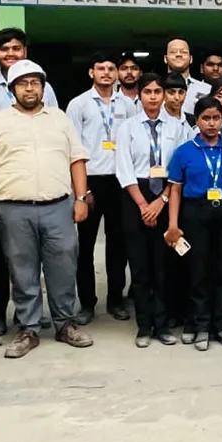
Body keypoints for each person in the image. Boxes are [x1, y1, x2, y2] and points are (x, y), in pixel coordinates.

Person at [0, 60, 94, 359]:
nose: (29, 89)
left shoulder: (59, 119)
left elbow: (77, 159)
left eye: (35, 83)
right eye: (23, 84)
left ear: (43, 87)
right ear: (12, 89)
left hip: (58, 206)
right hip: (13, 209)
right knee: (22, 270)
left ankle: (65, 323)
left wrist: (81, 198)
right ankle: (28, 328)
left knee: (64, 266)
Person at [0, 27, 59, 336]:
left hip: (37, 179)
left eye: (16, 48)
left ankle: (36, 313)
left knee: (37, 255)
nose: (11, 54)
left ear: (25, 51)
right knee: (1, 255)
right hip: (0, 183)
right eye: (5, 49)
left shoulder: (44, 87)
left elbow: (53, 128)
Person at [115, 73, 188, 348]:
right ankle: (144, 327)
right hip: (136, 197)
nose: (154, 97)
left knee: (163, 266)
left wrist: (162, 201)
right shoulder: (127, 128)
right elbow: (123, 170)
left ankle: (163, 324)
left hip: (167, 196)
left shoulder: (177, 127)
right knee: (140, 266)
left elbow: (179, 168)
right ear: (140, 95)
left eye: (158, 91)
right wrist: (144, 205)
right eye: (148, 92)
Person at [65, 52, 138, 325]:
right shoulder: (79, 104)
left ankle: (116, 299)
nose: (106, 73)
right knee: (84, 246)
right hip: (90, 180)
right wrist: (81, 190)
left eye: (110, 68)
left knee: (118, 245)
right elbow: (72, 148)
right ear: (91, 73)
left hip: (119, 180)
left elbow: (133, 141)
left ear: (116, 73)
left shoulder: (128, 104)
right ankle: (87, 303)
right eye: (101, 68)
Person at [165, 97, 222, 352]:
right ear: (196, 121)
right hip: (195, 212)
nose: (211, 123)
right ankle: (201, 325)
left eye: (216, 118)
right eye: (206, 118)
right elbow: (175, 190)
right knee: (198, 271)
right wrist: (173, 224)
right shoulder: (184, 152)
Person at [165, 37, 209, 110]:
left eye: (184, 52)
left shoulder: (207, 90)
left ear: (191, 59)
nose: (178, 54)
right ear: (165, 58)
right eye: (173, 52)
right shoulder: (156, 89)